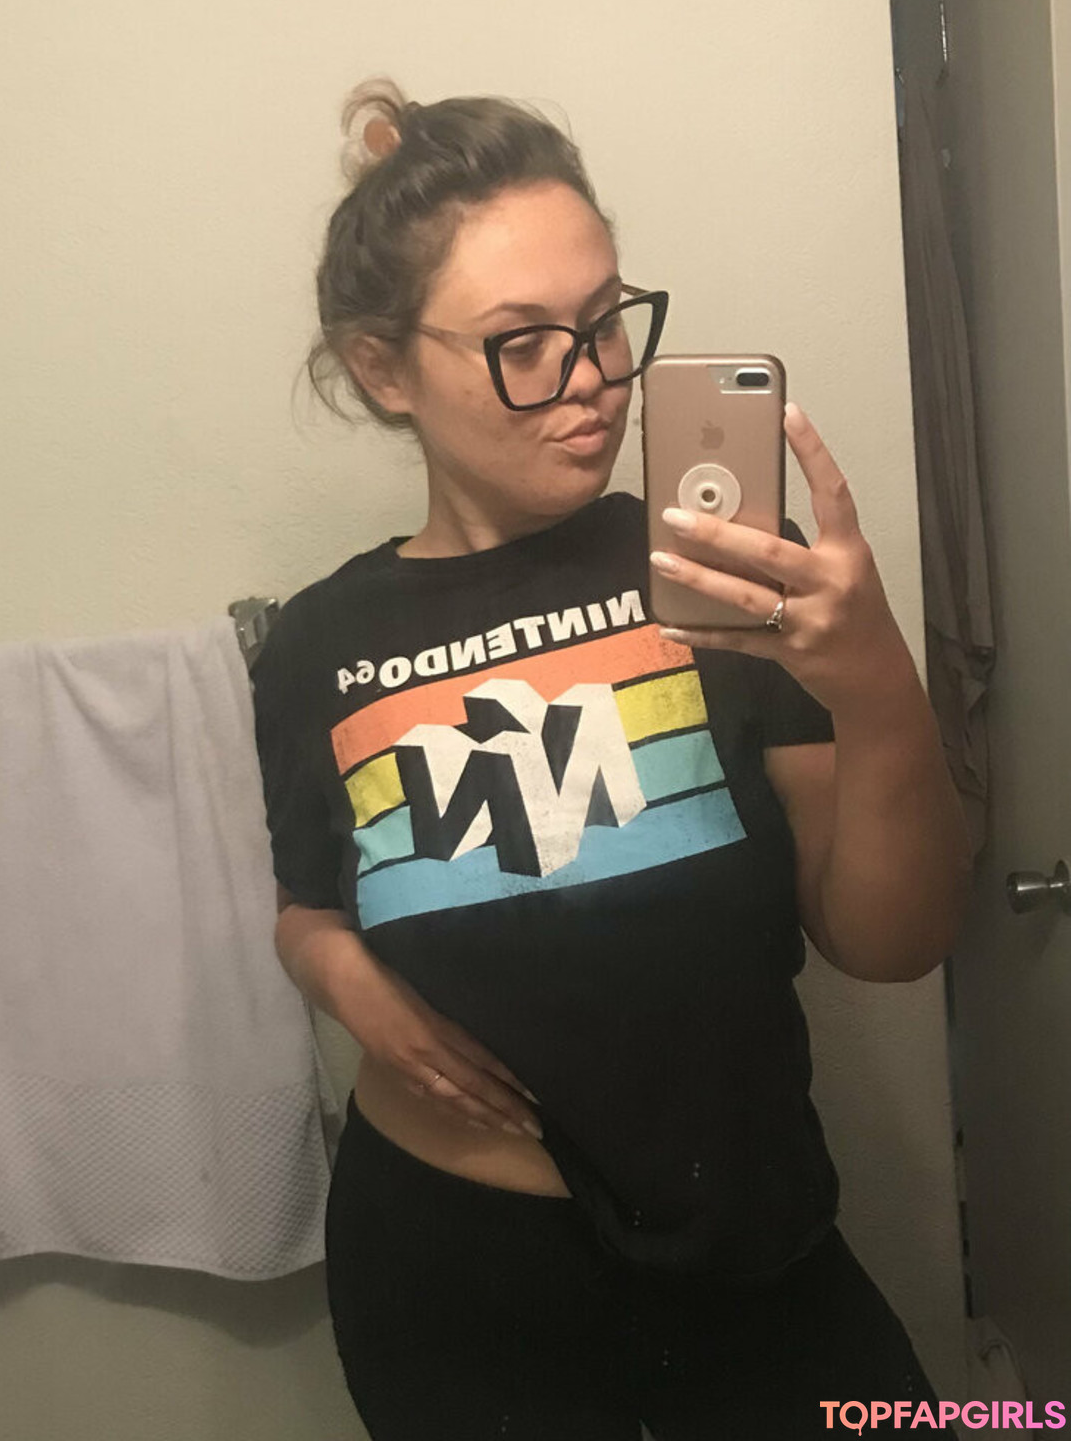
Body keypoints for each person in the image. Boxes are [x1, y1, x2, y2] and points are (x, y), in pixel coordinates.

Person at [250, 78, 972, 1440]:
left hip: (747, 1241)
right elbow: (304, 897)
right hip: (457, 1272)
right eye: (523, 343)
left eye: (604, 322)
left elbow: (895, 941)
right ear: (385, 369)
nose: (590, 378)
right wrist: (340, 978)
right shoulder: (318, 645)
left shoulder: (723, 575)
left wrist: (876, 677)